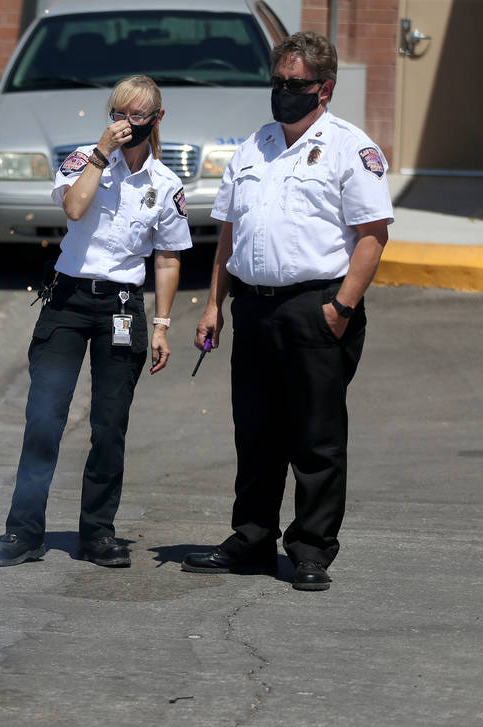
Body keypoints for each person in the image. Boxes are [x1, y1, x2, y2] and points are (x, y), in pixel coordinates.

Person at [182, 32, 392, 590]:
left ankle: (311, 550)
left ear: (323, 89)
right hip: (254, 308)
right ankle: (252, 539)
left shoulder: (352, 147)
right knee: (255, 434)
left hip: (315, 307)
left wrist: (341, 309)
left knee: (315, 438)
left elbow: (372, 236)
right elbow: (230, 231)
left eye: (294, 84)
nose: (282, 93)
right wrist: (213, 305)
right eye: (276, 82)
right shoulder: (255, 146)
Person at [0, 75, 191, 568]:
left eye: (138, 116)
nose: (126, 124)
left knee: (109, 424)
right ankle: (24, 531)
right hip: (70, 300)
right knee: (44, 418)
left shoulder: (165, 185)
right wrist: (102, 153)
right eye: (119, 114)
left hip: (121, 306)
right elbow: (75, 208)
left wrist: (160, 323)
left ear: (157, 119)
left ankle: (98, 533)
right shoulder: (83, 159)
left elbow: (167, 258)